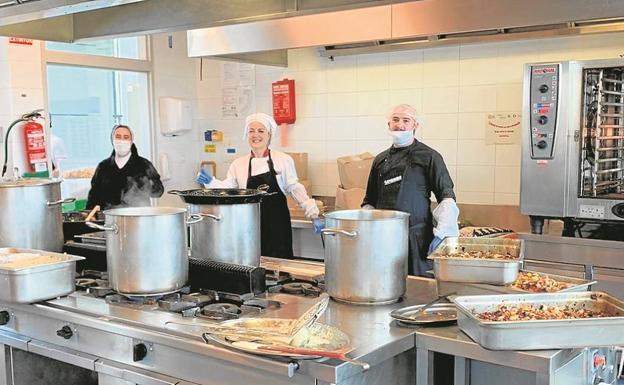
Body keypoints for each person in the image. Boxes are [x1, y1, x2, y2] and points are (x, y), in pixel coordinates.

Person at [196, 112, 322, 259]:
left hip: (277, 224)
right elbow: (228, 189)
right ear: (246, 135)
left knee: (280, 266)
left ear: (269, 135)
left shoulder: (283, 160)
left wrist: (313, 214)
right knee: (252, 262)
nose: (256, 135)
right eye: (251, 131)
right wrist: (211, 182)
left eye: (261, 131)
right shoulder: (239, 164)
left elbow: (294, 188)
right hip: (249, 225)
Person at [362, 104, 459, 276]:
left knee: (418, 288)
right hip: (384, 237)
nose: (400, 125)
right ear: (388, 124)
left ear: (415, 125)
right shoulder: (380, 160)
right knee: (386, 282)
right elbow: (369, 201)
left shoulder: (429, 157)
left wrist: (442, 234)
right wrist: (366, 229)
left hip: (417, 239)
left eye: (406, 120)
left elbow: (447, 197)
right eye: (395, 120)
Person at [87, 124, 164, 210]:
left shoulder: (144, 165)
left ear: (131, 141)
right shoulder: (103, 167)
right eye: (118, 137)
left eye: (126, 137)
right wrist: (90, 213)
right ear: (112, 140)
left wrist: (146, 184)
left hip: (138, 217)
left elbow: (159, 192)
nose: (122, 140)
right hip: (109, 218)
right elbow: (93, 196)